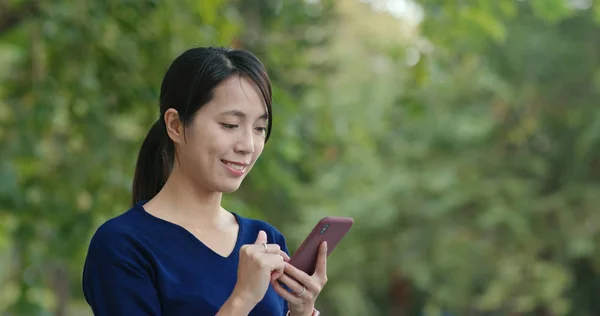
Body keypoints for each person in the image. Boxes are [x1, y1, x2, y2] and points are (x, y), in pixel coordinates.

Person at [82, 47, 326, 316]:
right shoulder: (123, 246)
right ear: (175, 125)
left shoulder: (265, 240)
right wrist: (241, 299)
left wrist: (303, 312)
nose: (248, 145)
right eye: (230, 125)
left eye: (259, 128)